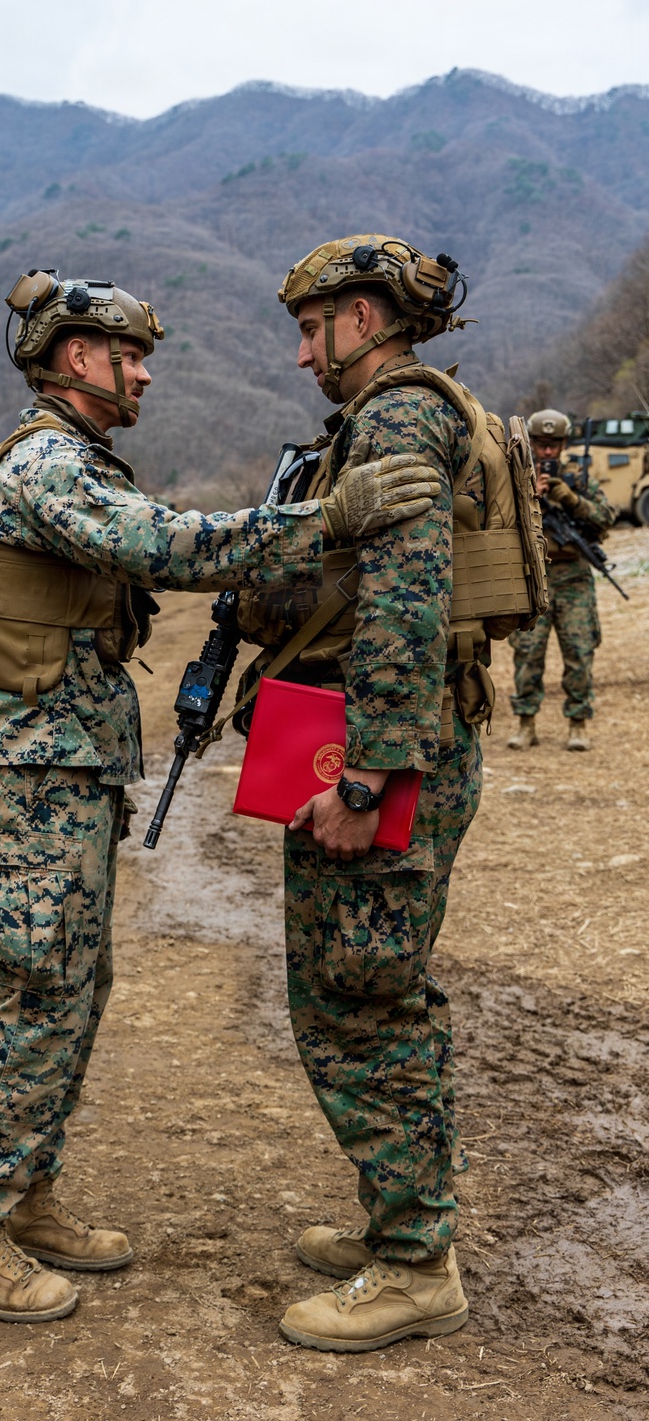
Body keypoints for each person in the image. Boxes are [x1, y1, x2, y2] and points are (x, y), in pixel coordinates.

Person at [0, 270, 442, 1323]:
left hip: (62, 769)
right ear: (79, 358)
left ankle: (25, 1195)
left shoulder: (61, 458)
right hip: (34, 775)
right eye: (130, 357)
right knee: (36, 992)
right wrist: (325, 520)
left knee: (72, 987)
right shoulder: (46, 466)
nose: (145, 374)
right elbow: (164, 543)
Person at [237, 234, 512, 1353]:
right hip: (410, 740)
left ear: (365, 316)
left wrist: (364, 778)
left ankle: (414, 1265)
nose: (305, 355)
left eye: (313, 328)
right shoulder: (431, 409)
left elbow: (401, 605)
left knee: (358, 1002)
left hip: (382, 753)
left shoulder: (398, 416)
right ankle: (400, 1222)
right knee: (380, 992)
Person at [507, 409, 615, 752]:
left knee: (580, 652)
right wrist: (531, 496)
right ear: (531, 443)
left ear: (564, 444)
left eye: (554, 444)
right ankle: (526, 724)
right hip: (533, 576)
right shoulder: (514, 476)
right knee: (527, 654)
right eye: (541, 444)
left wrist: (570, 499)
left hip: (574, 578)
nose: (548, 452)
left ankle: (578, 723)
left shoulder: (579, 478)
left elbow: (605, 521)